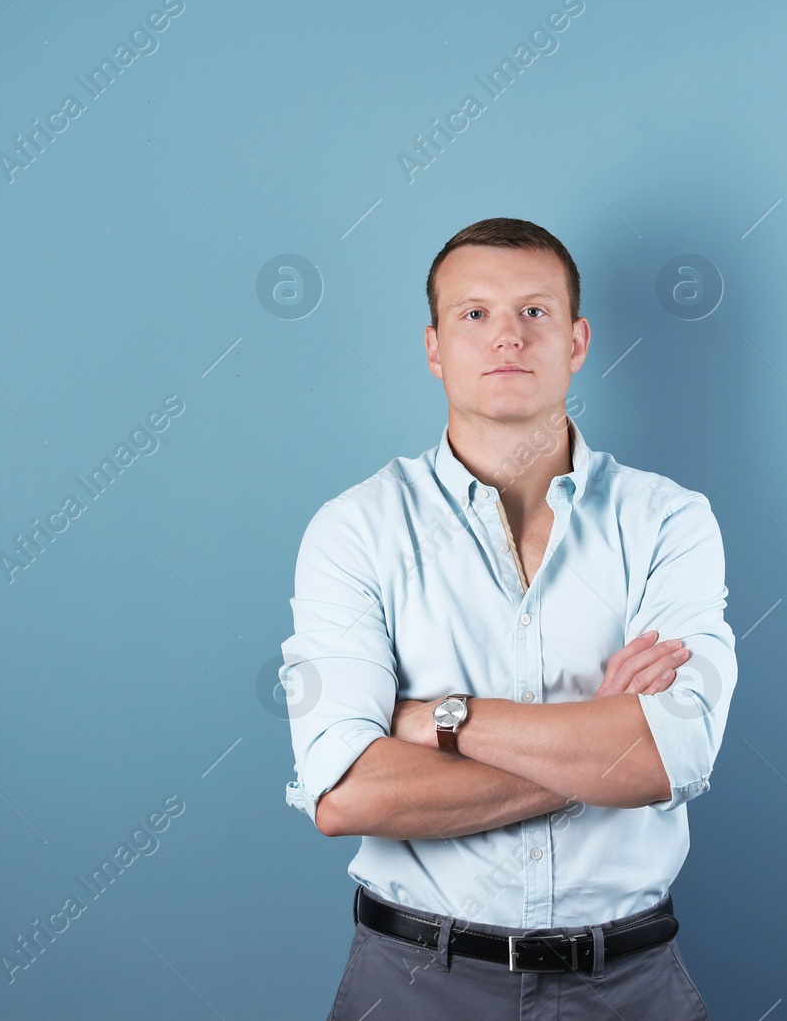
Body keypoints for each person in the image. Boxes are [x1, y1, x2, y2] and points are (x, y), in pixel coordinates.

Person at [280, 217, 736, 1019]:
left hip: (628, 986)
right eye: (475, 313)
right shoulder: (355, 529)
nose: (508, 337)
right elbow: (346, 792)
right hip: (415, 985)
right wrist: (596, 741)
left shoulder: (670, 520)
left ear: (577, 339)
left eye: (535, 312)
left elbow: (672, 754)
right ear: (433, 347)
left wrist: (444, 721)